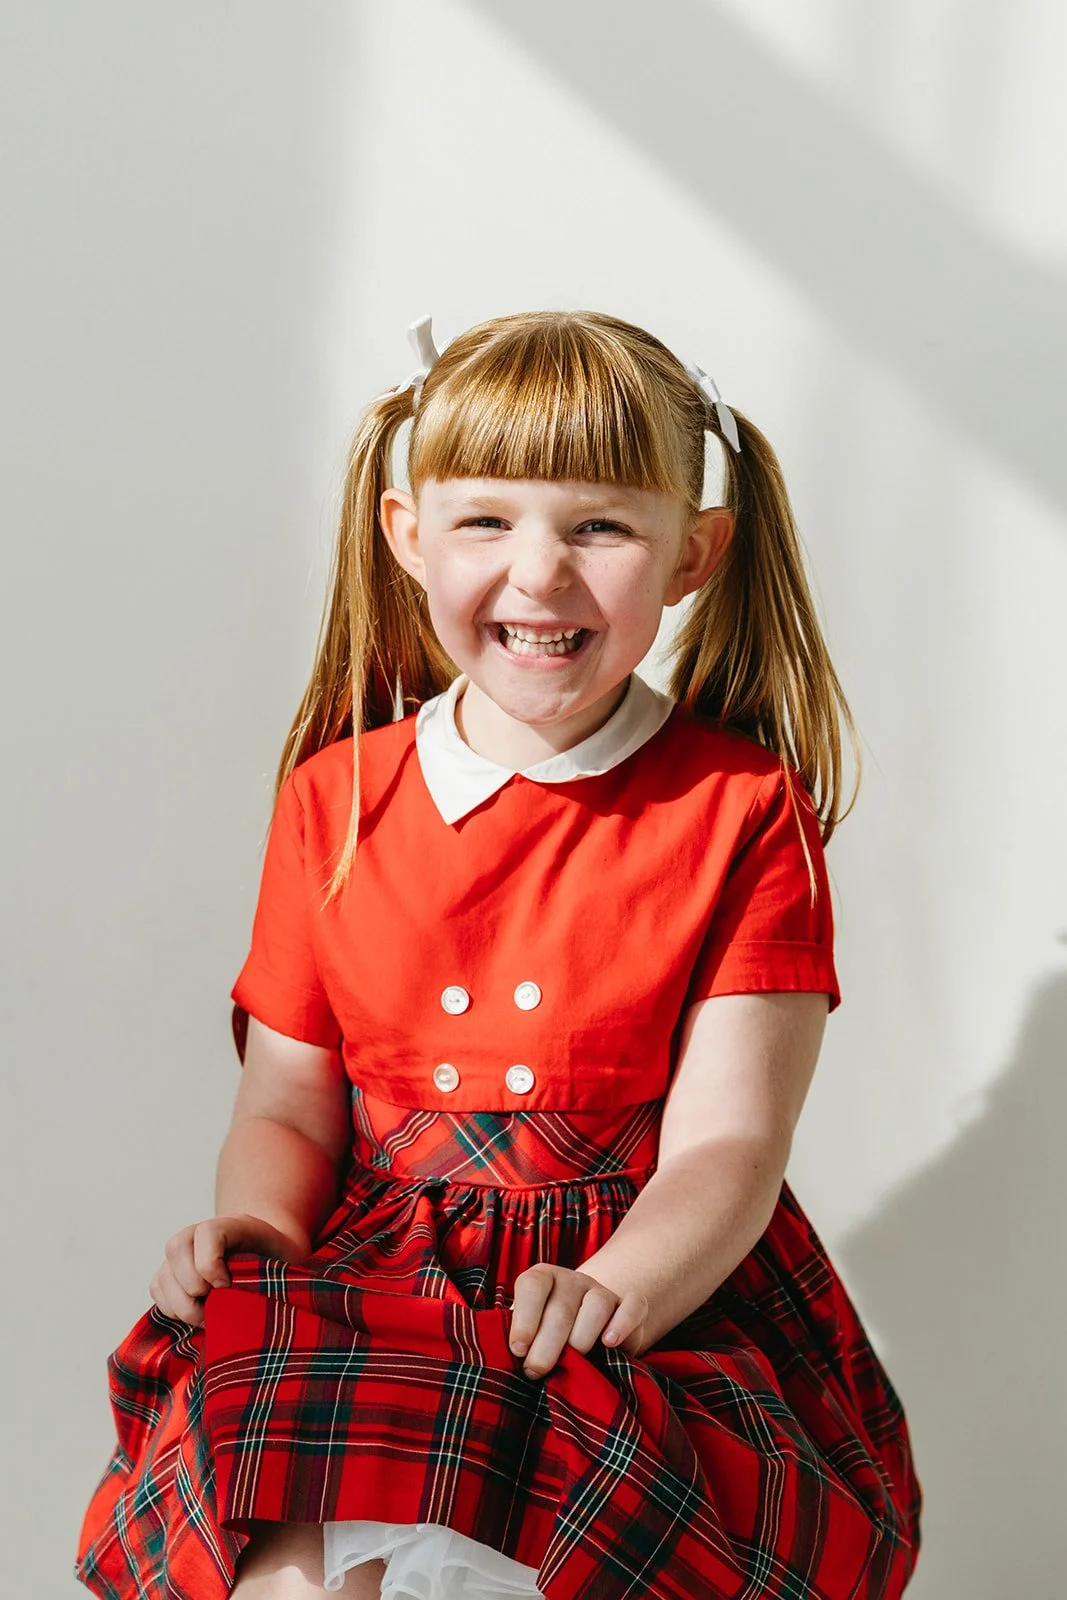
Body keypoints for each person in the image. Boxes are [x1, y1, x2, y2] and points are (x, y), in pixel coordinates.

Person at [74, 309, 923, 1600]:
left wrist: (608, 1289)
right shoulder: (335, 801)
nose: (538, 576)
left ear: (692, 554)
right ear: (408, 535)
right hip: (377, 1283)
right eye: (486, 522)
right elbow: (291, 1104)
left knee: (543, 1535)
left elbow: (728, 1146)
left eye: (598, 526)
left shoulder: (741, 810)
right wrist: (253, 1222)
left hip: (627, 1285)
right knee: (281, 1544)